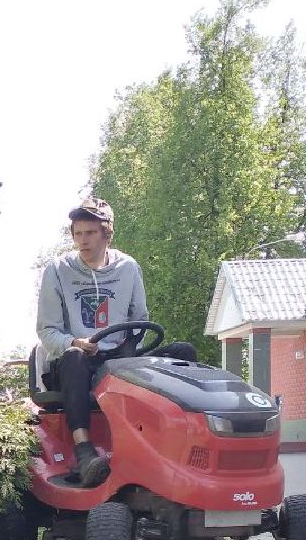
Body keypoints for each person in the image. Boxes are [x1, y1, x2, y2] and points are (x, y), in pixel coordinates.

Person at [36, 197, 198, 486]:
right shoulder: (58, 271)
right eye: (77, 234)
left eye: (90, 233)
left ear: (107, 233)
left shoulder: (128, 268)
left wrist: (129, 350)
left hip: (121, 362)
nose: (82, 241)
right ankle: (84, 452)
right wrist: (75, 341)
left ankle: (175, 445)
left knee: (183, 352)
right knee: (73, 358)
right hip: (77, 364)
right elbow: (48, 332)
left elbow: (140, 319)